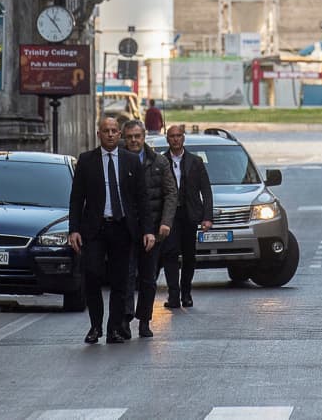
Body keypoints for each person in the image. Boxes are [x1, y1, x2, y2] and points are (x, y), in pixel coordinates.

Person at [68, 117, 154, 345]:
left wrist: (148, 230)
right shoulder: (86, 161)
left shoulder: (131, 161)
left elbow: (142, 199)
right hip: (95, 229)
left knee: (120, 281)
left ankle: (114, 327)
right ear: (99, 134)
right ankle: (95, 326)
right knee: (93, 275)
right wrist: (73, 229)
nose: (110, 134)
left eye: (114, 131)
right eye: (106, 131)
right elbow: (77, 199)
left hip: (122, 228)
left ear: (120, 135)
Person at [121, 119, 176, 338]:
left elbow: (171, 193)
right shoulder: (118, 161)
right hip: (125, 230)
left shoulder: (159, 162)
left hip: (152, 231)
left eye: (138, 136)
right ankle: (124, 319)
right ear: (125, 138)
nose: (134, 141)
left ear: (144, 137)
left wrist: (166, 222)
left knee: (148, 279)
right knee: (125, 278)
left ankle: (144, 320)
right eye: (130, 137)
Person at [161, 124, 213, 309]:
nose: (175, 139)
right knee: (170, 254)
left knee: (189, 256)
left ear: (183, 138)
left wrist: (208, 217)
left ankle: (186, 293)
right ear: (167, 139)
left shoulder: (195, 161)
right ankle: (173, 296)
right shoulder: (161, 161)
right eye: (172, 136)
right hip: (170, 215)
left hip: (190, 214)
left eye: (178, 135)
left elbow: (206, 190)